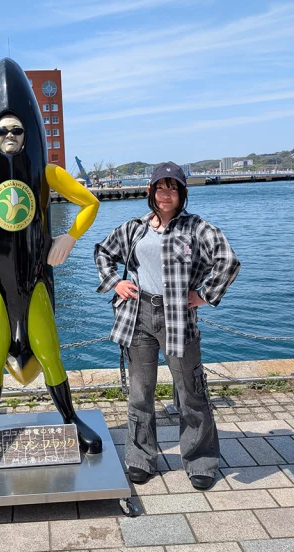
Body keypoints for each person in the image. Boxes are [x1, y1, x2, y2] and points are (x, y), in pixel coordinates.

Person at [0, 58, 102, 468]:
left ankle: (71, 419)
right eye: (2, 131)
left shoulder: (46, 172)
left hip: (36, 279)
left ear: (27, 133)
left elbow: (90, 202)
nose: (9, 136)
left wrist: (68, 237)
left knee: (50, 352)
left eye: (16, 130)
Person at [95, 162, 240, 490]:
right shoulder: (135, 227)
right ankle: (140, 457)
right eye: (160, 187)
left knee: (190, 390)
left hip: (178, 315)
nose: (165, 193)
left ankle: (200, 459)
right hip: (138, 314)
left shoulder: (195, 227)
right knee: (140, 392)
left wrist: (203, 295)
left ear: (182, 193)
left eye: (172, 187)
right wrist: (116, 282)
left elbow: (228, 260)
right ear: (150, 191)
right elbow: (103, 252)